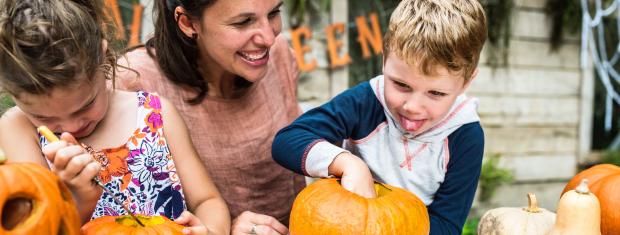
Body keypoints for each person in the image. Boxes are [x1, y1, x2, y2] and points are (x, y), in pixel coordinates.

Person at [0, 0, 230, 234]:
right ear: (12, 94)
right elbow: (34, 228)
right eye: (43, 117)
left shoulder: (154, 115)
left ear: (103, 56)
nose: (70, 127)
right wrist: (76, 201)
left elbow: (207, 201)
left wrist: (210, 229)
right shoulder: (18, 130)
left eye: (85, 106)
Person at [272, 0, 487, 233]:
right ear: (384, 59)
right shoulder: (366, 102)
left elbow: (447, 225)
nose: (413, 106)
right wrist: (348, 164)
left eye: (435, 93)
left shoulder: (465, 135)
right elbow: (288, 140)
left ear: (466, 82)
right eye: (401, 84)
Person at [115, 0, 304, 234]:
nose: (268, 38)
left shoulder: (279, 53)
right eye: (243, 22)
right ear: (187, 23)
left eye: (274, 12)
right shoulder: (131, 83)